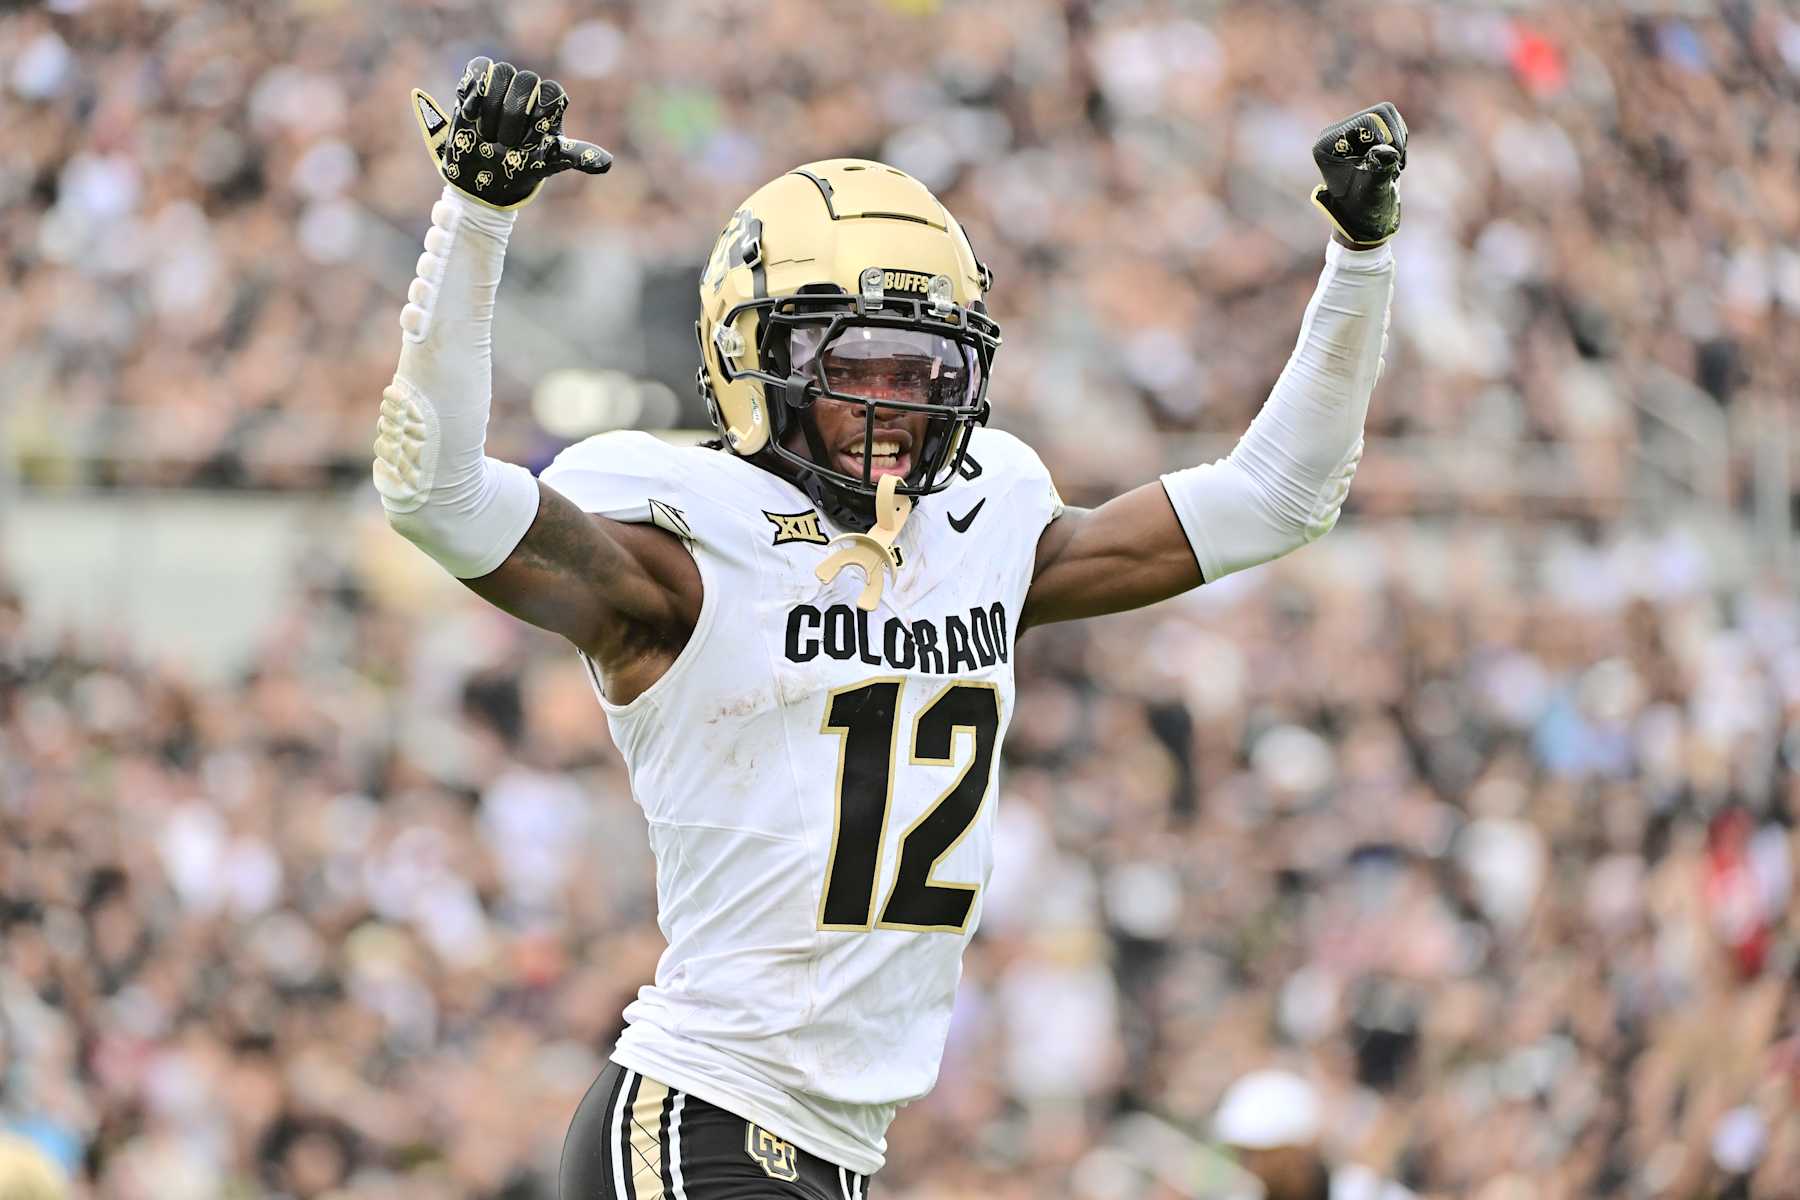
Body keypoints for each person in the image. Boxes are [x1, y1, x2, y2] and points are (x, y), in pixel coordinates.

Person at [373, 57, 1404, 1200]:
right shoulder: (683, 554)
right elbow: (437, 494)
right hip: (706, 1112)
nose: (895, 410)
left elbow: (1277, 498)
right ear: (750, 356)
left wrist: (1361, 264)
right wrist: (473, 216)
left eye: (928, 370)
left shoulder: (982, 533)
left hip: (835, 1148)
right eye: (856, 366)